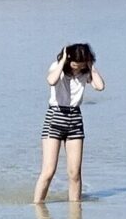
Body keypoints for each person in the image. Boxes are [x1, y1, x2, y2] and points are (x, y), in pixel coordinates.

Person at [34, 42, 105, 203]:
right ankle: (37, 205)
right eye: (74, 65)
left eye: (80, 66)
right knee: (48, 170)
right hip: (55, 116)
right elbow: (51, 81)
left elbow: (100, 87)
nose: (76, 69)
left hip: (75, 119)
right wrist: (63, 59)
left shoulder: (85, 71)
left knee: (74, 172)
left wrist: (90, 65)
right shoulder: (57, 67)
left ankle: (75, 209)